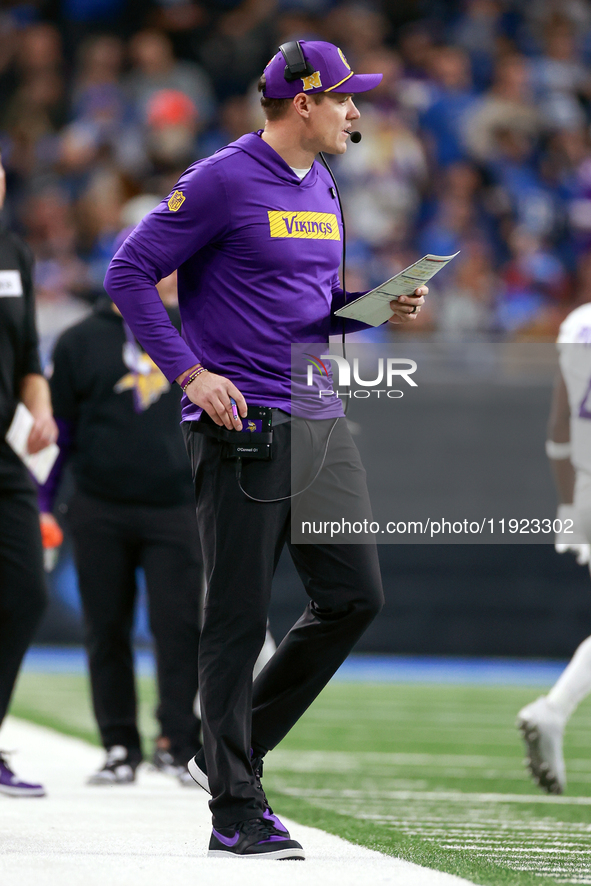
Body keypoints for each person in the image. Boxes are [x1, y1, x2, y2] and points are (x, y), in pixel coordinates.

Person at [105, 40, 426, 859]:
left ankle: (229, 748)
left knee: (355, 597)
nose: (358, 112)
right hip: (244, 422)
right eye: (346, 98)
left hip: (319, 415)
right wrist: (188, 374)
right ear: (304, 102)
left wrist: (375, 307)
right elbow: (129, 274)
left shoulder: (322, 183)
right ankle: (235, 806)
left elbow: (314, 310)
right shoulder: (219, 178)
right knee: (239, 616)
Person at [39, 258, 204, 786]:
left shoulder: (197, 327)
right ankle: (118, 744)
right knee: (105, 628)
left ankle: (178, 744)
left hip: (178, 505)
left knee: (178, 629)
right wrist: (44, 502)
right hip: (99, 505)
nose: (172, 276)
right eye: (159, 265)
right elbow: (60, 432)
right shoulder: (79, 340)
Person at [0, 151, 57, 797]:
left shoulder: (13, 252)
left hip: (6, 455)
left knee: (24, 593)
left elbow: (28, 355)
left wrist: (40, 410)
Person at [517, 301, 591, 794]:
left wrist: (570, 505)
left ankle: (554, 710)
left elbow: (560, 427)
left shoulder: (578, 321)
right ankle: (553, 709)